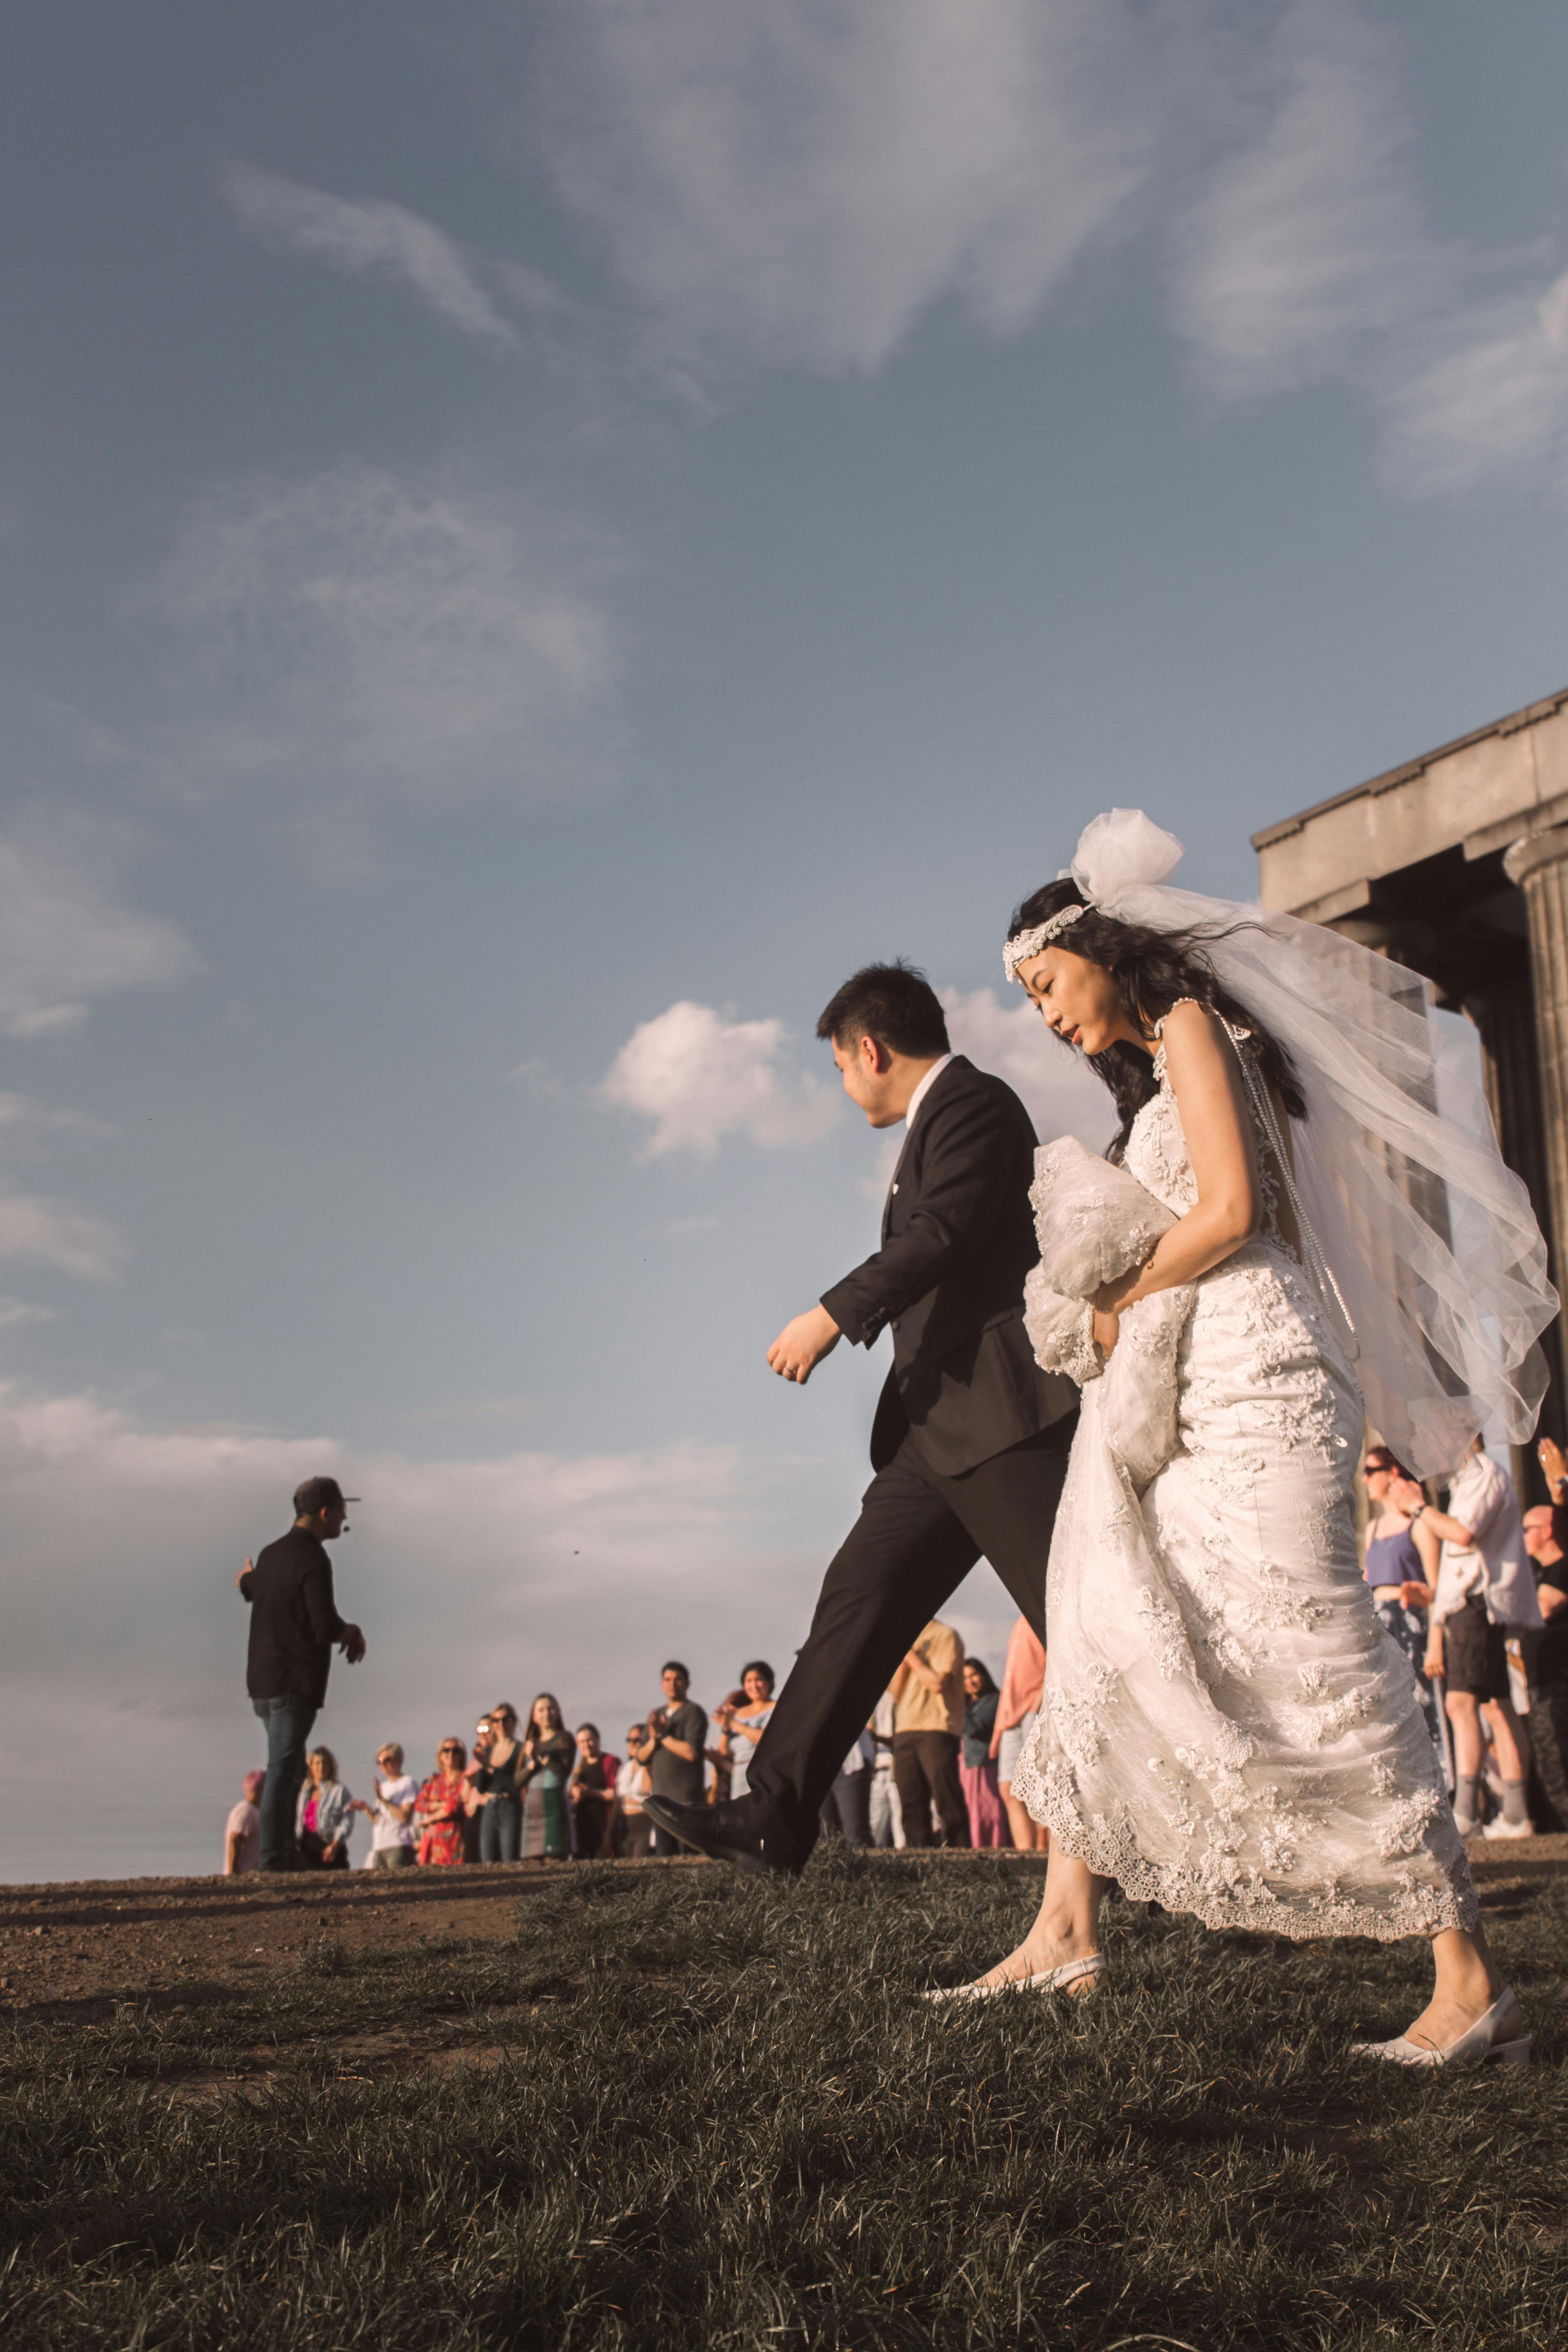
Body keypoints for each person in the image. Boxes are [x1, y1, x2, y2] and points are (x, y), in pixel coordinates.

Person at [941, 808, 1553, 2070]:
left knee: (1313, 1645)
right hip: (1195, 1378)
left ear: (1108, 949)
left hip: (1264, 1378)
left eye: (1049, 983)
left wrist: (1102, 1292)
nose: (1046, 1013)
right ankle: (1064, 1927)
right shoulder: (1159, 1069)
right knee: (1108, 1615)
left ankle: (1467, 1977)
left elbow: (1226, 1211)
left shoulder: (1192, 1027)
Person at [642, 963, 1080, 1873]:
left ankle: (1188, 1838)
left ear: (868, 1049)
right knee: (858, 1596)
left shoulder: (975, 1104)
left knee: (1082, 1627)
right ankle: (775, 1813)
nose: (844, 1088)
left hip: (1002, 1420)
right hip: (936, 1433)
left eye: (841, 1068)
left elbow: (944, 1233)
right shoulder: (941, 1120)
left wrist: (832, 1314)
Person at [1392, 1443, 1541, 1840]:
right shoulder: (1466, 1482)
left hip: (1479, 1605)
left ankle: (1467, 1813)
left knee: (1462, 1704)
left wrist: (1418, 1509)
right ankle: (1514, 1813)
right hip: (1472, 1604)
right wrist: (1433, 1601)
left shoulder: (1484, 1474)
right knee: (1496, 1707)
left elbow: (1463, 1535)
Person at [236, 1475, 366, 1872]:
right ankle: (276, 1860)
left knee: (286, 1768)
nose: (344, 1517)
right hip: (294, 1683)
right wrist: (353, 1633)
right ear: (325, 1512)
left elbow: (253, 1587)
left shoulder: (272, 1554)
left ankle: (279, 1856)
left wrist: (245, 1579)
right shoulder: (313, 1558)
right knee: (284, 1771)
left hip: (262, 1683)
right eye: (342, 1509)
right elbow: (323, 1624)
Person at [1360, 1448, 1441, 1751]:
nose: (1365, 1479)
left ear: (1392, 1472)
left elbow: (1437, 1589)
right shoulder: (1373, 1529)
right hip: (1381, 1624)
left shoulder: (1418, 1526)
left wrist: (1436, 1644)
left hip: (1411, 1626)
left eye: (1371, 1471)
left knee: (1420, 1705)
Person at [889, 1618, 968, 1848]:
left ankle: (960, 1853)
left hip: (937, 1726)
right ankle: (918, 1858)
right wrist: (906, 1660)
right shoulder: (907, 1641)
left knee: (946, 1795)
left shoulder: (945, 1635)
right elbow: (895, 1694)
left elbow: (937, 1684)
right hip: (904, 1727)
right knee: (910, 1799)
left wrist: (912, 1658)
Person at [1521, 1508, 1568, 1832]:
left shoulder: (1563, 1568)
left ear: (1548, 1530)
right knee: (1547, 1761)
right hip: (1538, 1681)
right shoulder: (1539, 1574)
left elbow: (1544, 1608)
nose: (1521, 1536)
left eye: (1527, 1528)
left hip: (1558, 1682)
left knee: (1558, 1759)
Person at [632, 1663, 709, 1857]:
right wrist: (655, 1738)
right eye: (667, 1680)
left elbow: (691, 1752)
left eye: (678, 1679)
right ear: (662, 1684)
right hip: (661, 1803)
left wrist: (663, 1735)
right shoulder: (656, 1715)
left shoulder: (693, 1713)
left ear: (687, 1683)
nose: (672, 1684)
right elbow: (641, 1757)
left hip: (689, 1802)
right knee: (665, 1861)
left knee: (691, 1861)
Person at [991, 1616, 1048, 1851]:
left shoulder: (1045, 1614)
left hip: (1035, 1709)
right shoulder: (1019, 1622)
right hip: (1010, 1714)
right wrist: (999, 1727)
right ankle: (1025, 1855)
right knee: (1008, 1788)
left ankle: (1045, 1854)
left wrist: (1040, 1698)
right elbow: (1012, 1677)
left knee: (1041, 1783)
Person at [519, 1694, 575, 1860]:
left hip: (555, 1805)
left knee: (555, 1860)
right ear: (534, 1716)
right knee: (532, 1865)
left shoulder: (565, 1738)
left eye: (550, 1709)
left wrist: (541, 1755)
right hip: (532, 1809)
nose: (546, 1714)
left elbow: (563, 1773)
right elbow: (518, 1780)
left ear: (558, 1712)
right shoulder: (530, 1743)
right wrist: (532, 1764)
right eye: (541, 1710)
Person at [960, 1660, 1008, 1848]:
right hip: (967, 1768)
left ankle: (996, 1848)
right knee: (973, 1813)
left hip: (986, 1766)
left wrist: (956, 1706)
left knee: (990, 1813)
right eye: (964, 1678)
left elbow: (974, 1728)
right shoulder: (970, 1704)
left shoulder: (994, 1700)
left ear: (984, 1675)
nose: (969, 1681)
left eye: (973, 1675)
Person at [471, 1703, 527, 1863]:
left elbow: (514, 1785)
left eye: (505, 1719)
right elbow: (482, 1788)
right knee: (488, 1862)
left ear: (514, 1722)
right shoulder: (489, 1751)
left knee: (510, 1861)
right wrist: (482, 1766)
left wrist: (490, 1768)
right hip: (490, 1807)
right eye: (496, 1720)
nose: (501, 1724)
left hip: (511, 1806)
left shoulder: (520, 1750)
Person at [352, 1743, 418, 1870]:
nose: (383, 1764)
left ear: (399, 1759)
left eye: (387, 1760)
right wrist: (366, 1808)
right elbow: (376, 1820)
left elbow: (405, 1817)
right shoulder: (383, 1787)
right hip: (379, 1846)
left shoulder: (407, 1783)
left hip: (398, 1844)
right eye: (379, 1761)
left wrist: (383, 1801)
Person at [715, 1663, 776, 1801]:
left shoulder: (775, 1708)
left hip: (763, 1774)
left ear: (769, 1682)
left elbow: (764, 1740)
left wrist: (734, 1724)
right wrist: (726, 1727)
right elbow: (724, 1751)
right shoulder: (738, 1713)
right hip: (739, 1775)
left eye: (758, 1680)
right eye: (749, 1681)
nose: (754, 1685)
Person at [416, 1739, 472, 1866]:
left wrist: (431, 1819)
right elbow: (420, 1804)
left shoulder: (465, 1778)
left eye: (456, 1751)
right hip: (434, 1840)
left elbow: (456, 1806)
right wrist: (441, 1804)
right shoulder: (434, 1780)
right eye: (446, 1750)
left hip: (456, 1837)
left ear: (462, 1755)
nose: (451, 1754)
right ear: (440, 1755)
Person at [296, 1746, 354, 1869]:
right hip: (307, 1848)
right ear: (311, 1766)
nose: (321, 1767)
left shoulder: (339, 1791)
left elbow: (347, 1822)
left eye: (325, 1763)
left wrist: (335, 1846)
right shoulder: (304, 1793)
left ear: (331, 1766)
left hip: (329, 1846)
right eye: (317, 1763)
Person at [819, 1729, 875, 1846]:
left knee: (855, 1834)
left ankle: (864, 1865)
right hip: (818, 1767)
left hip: (850, 1763)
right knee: (826, 1837)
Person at [569, 1724, 618, 1858]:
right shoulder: (579, 1770)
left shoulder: (610, 1762)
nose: (587, 1745)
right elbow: (571, 1807)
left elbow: (617, 1794)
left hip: (605, 1827)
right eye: (582, 1742)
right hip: (583, 1830)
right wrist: (578, 1798)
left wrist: (591, 1793)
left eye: (589, 1740)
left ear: (598, 1740)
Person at [612, 1725, 655, 1858]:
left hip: (644, 1824)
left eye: (638, 1740)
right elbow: (618, 1799)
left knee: (641, 1869)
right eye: (629, 1740)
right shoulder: (624, 1767)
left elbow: (649, 1791)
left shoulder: (652, 1766)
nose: (632, 1744)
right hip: (625, 1826)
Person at [868, 1690, 903, 1849]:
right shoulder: (872, 1701)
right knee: (875, 1827)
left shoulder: (901, 1700)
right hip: (876, 1772)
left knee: (900, 1824)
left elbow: (904, 1741)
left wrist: (876, 1737)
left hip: (897, 1770)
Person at [224, 1769, 265, 1875]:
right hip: (244, 1874)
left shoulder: (254, 1811)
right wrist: (233, 1872)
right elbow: (236, 1839)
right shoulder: (247, 1810)